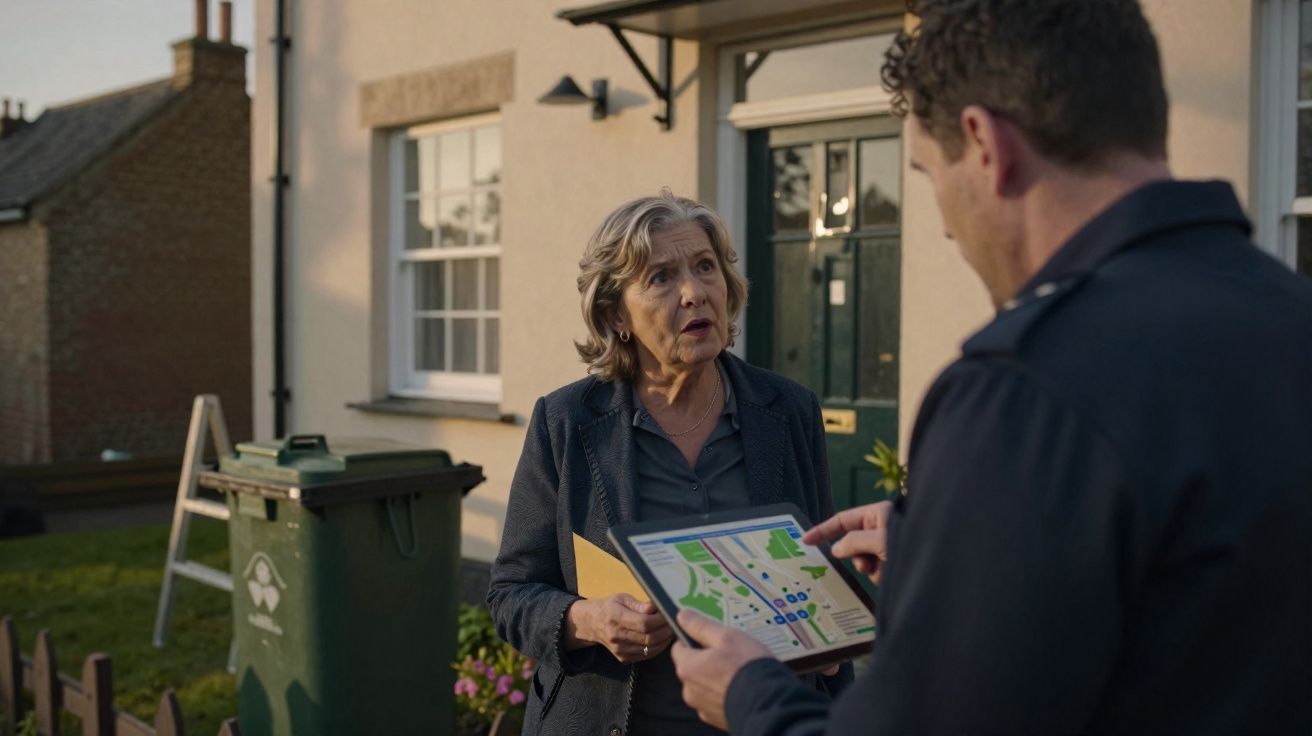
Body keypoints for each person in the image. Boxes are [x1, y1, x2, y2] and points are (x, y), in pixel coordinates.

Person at [670, 0, 1312, 733]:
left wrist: (753, 694)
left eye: (928, 171)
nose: (943, 220)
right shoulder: (1289, 313)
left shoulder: (1027, 387)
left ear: (984, 145)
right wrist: (947, 543)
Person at [487, 191, 852, 736]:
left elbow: (822, 566)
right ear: (616, 314)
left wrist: (831, 638)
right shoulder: (565, 422)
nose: (694, 292)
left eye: (706, 267)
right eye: (661, 277)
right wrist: (586, 620)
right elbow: (510, 595)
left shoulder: (788, 410)